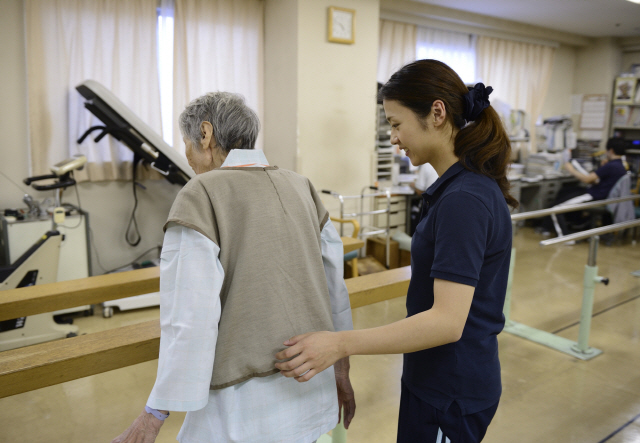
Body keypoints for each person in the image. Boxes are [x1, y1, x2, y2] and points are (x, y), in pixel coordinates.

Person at [276, 59, 517, 443]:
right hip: (435, 379)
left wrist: (339, 343)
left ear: (436, 113)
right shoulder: (457, 190)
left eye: (395, 123)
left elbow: (446, 322)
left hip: (449, 392)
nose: (393, 137)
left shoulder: (465, 200)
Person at [112, 92, 355, 443]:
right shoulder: (302, 186)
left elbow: (190, 315)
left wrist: (155, 413)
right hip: (312, 388)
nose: (190, 158)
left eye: (188, 144)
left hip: (244, 411)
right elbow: (336, 290)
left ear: (206, 134)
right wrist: (341, 370)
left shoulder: (202, 193)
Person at [547, 138, 627, 237]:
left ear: (610, 151)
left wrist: (571, 169)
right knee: (565, 192)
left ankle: (564, 236)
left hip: (594, 195)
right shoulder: (620, 166)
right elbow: (598, 180)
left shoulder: (611, 166)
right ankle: (573, 224)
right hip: (599, 193)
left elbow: (586, 179)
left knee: (555, 208)